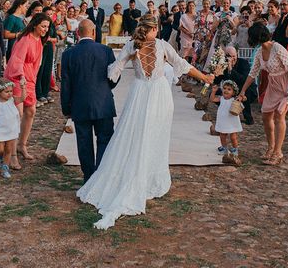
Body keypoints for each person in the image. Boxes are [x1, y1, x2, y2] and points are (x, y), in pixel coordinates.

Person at [77, 14, 214, 229]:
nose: (157, 31)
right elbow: (183, 65)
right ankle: (147, 178)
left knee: (134, 133)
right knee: (155, 134)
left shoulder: (132, 46)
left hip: (139, 93)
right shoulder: (162, 46)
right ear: (153, 29)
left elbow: (114, 70)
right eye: (156, 28)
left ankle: (137, 174)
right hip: (159, 94)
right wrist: (204, 78)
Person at [61, 19, 118, 182]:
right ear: (94, 33)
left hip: (80, 105)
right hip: (103, 103)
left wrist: (66, 108)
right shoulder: (106, 51)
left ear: (78, 33)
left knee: (84, 142)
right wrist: (106, 89)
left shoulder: (68, 54)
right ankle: (100, 176)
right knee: (104, 139)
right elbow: (114, 77)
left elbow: (66, 84)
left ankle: (88, 176)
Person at [239, 23, 288, 166]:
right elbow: (253, 73)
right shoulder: (259, 52)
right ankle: (271, 147)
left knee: (279, 116)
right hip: (273, 86)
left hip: (286, 84)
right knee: (266, 116)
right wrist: (242, 90)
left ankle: (278, 152)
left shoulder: (277, 48)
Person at [4, 12, 50, 161]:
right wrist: (21, 76)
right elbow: (16, 59)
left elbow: (37, 64)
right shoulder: (25, 39)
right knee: (17, 114)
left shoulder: (39, 41)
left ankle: (22, 145)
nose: (45, 29)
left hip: (30, 79)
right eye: (43, 26)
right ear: (35, 25)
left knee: (31, 111)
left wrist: (33, 79)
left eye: (47, 27)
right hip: (18, 77)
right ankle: (11, 153)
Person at [212, 45, 256, 125]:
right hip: (230, 90)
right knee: (214, 93)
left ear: (237, 55)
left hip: (244, 89)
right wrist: (216, 71)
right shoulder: (223, 64)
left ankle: (248, 118)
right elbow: (217, 81)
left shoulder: (243, 63)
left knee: (245, 91)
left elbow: (243, 80)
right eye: (229, 56)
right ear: (225, 56)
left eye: (234, 56)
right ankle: (226, 110)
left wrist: (231, 69)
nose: (232, 58)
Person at [0, 78, 24, 178]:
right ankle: (1, 159)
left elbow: (22, 98)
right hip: (0, 129)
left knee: (8, 149)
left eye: (11, 91)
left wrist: (23, 88)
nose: (9, 93)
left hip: (11, 128)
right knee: (0, 149)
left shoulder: (12, 99)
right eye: (6, 92)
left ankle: (5, 167)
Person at [211, 80, 243, 165]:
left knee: (233, 137)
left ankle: (235, 149)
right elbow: (213, 99)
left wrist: (241, 98)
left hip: (232, 121)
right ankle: (224, 148)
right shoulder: (221, 98)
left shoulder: (234, 99)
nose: (226, 90)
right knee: (222, 136)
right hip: (223, 121)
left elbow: (244, 98)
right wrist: (213, 91)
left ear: (233, 92)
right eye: (224, 88)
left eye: (229, 89)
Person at [35, 5, 57, 106]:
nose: (49, 16)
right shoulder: (40, 24)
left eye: (51, 14)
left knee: (48, 70)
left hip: (49, 48)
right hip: (41, 47)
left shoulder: (51, 25)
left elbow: (55, 38)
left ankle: (45, 91)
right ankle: (39, 93)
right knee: (40, 70)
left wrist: (49, 39)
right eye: (47, 14)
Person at [193, 0, 214, 66]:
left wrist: (210, 34)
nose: (206, 5)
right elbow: (196, 25)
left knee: (206, 53)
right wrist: (198, 34)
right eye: (204, 4)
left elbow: (214, 26)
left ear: (209, 4)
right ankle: (195, 69)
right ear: (202, 4)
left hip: (209, 36)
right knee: (197, 52)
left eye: (207, 4)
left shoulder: (213, 14)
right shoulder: (198, 13)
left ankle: (204, 70)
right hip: (199, 36)